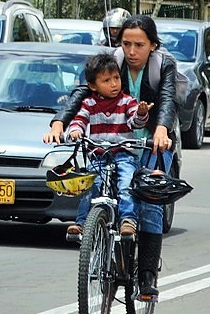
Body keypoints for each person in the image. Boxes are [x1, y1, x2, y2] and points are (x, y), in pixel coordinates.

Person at [48, 15, 178, 299]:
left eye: (139, 45)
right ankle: (102, 242)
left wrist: (162, 129)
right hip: (111, 145)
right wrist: (60, 121)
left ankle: (145, 278)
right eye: (126, 44)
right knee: (99, 185)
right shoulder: (113, 61)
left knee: (150, 206)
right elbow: (84, 92)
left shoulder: (163, 65)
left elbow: (168, 100)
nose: (132, 51)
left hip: (152, 143)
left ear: (153, 45)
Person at [48, 53, 143, 240]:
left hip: (124, 155)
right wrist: (75, 131)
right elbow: (79, 121)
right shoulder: (89, 103)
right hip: (98, 156)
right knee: (90, 187)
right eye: (106, 80)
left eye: (116, 78)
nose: (114, 84)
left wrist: (141, 113)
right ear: (93, 86)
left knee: (126, 185)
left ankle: (128, 221)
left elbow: (136, 122)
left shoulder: (128, 102)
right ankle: (81, 223)